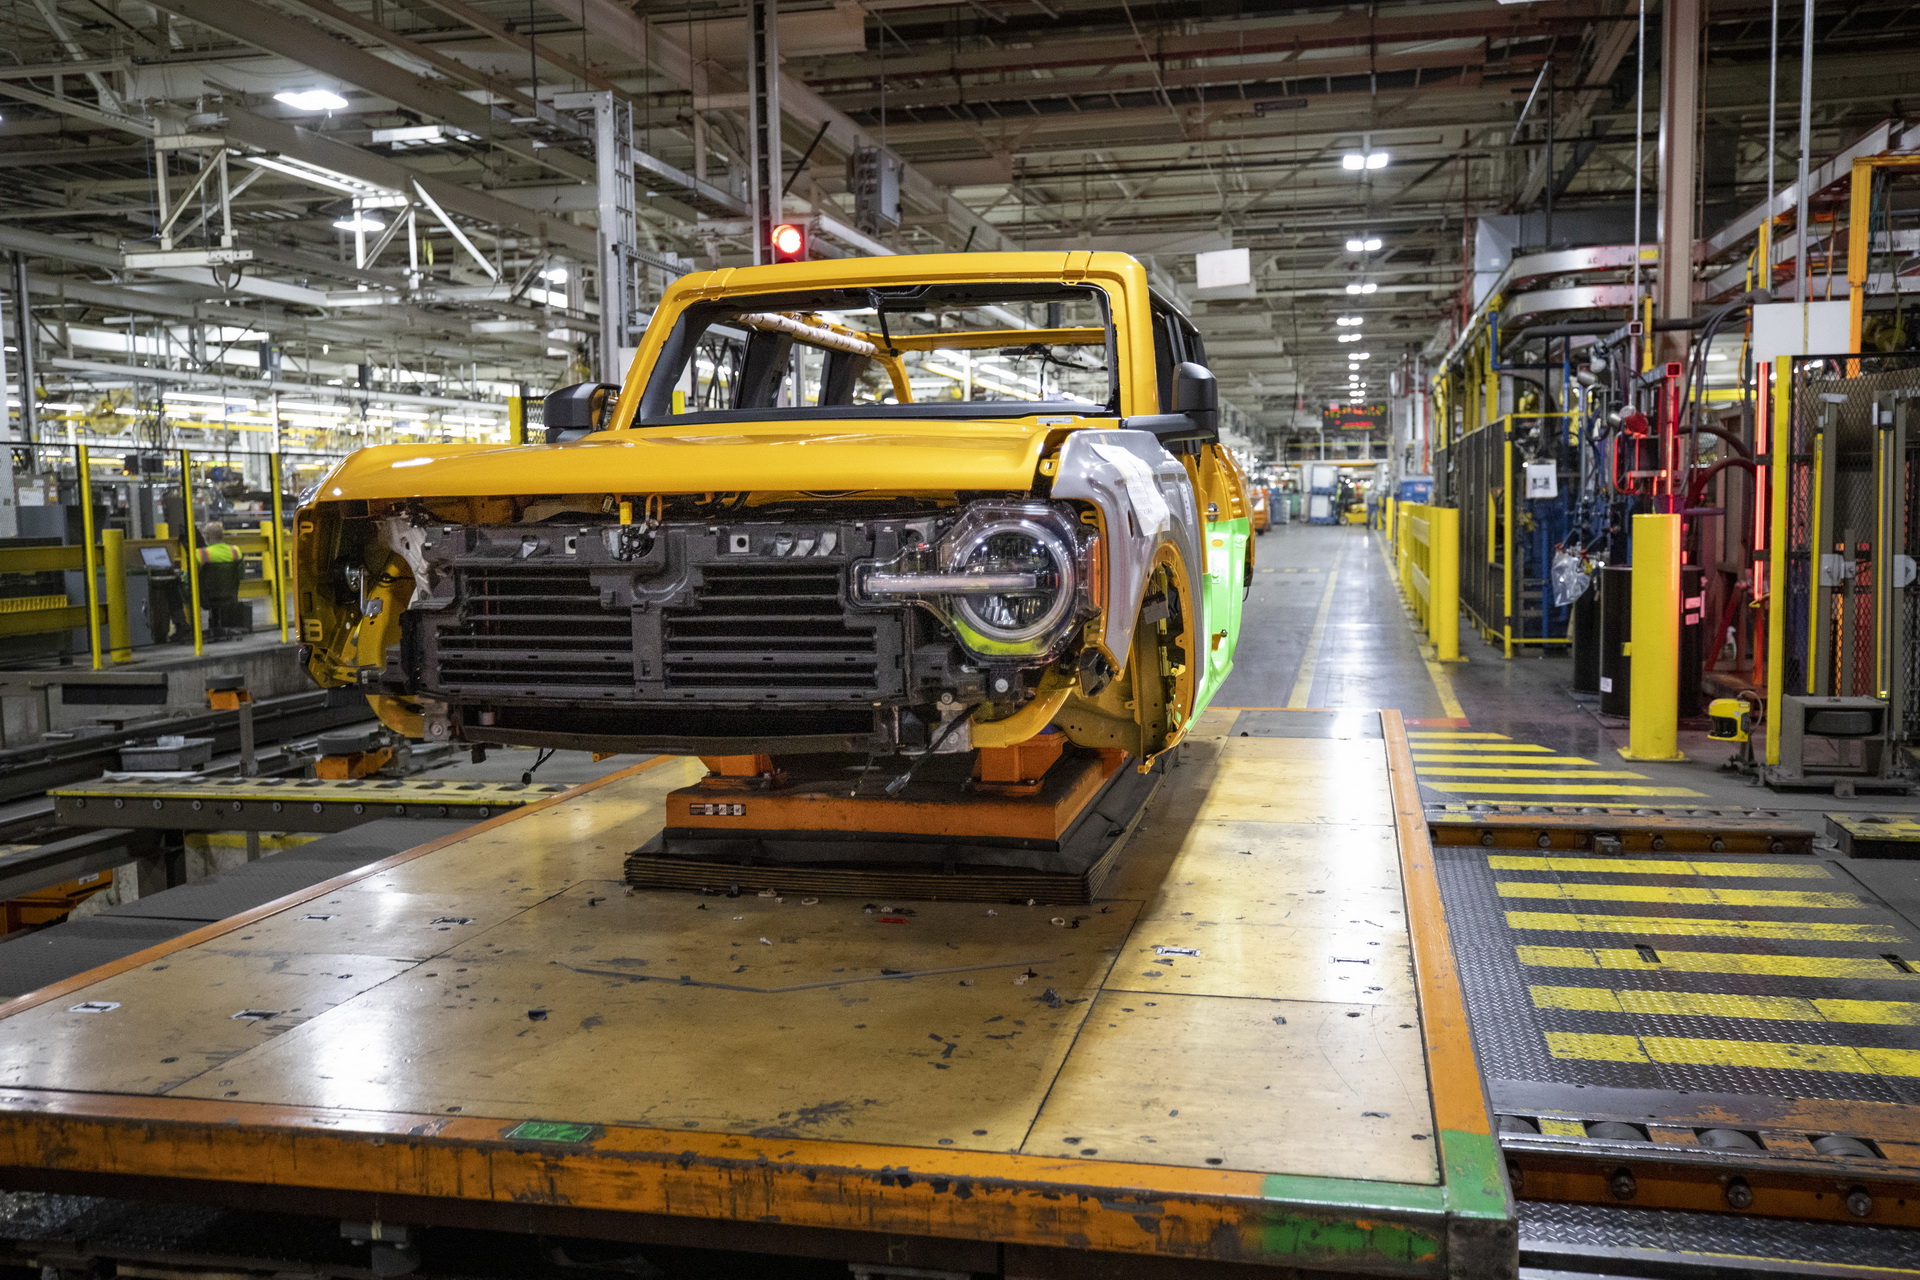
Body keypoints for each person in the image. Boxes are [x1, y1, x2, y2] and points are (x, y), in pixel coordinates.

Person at [196, 522, 251, 639]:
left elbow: (188, 578)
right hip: (229, 595)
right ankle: (219, 626)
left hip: (206, 596)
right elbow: (241, 575)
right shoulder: (235, 551)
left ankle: (187, 629)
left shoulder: (201, 553)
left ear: (207, 537)